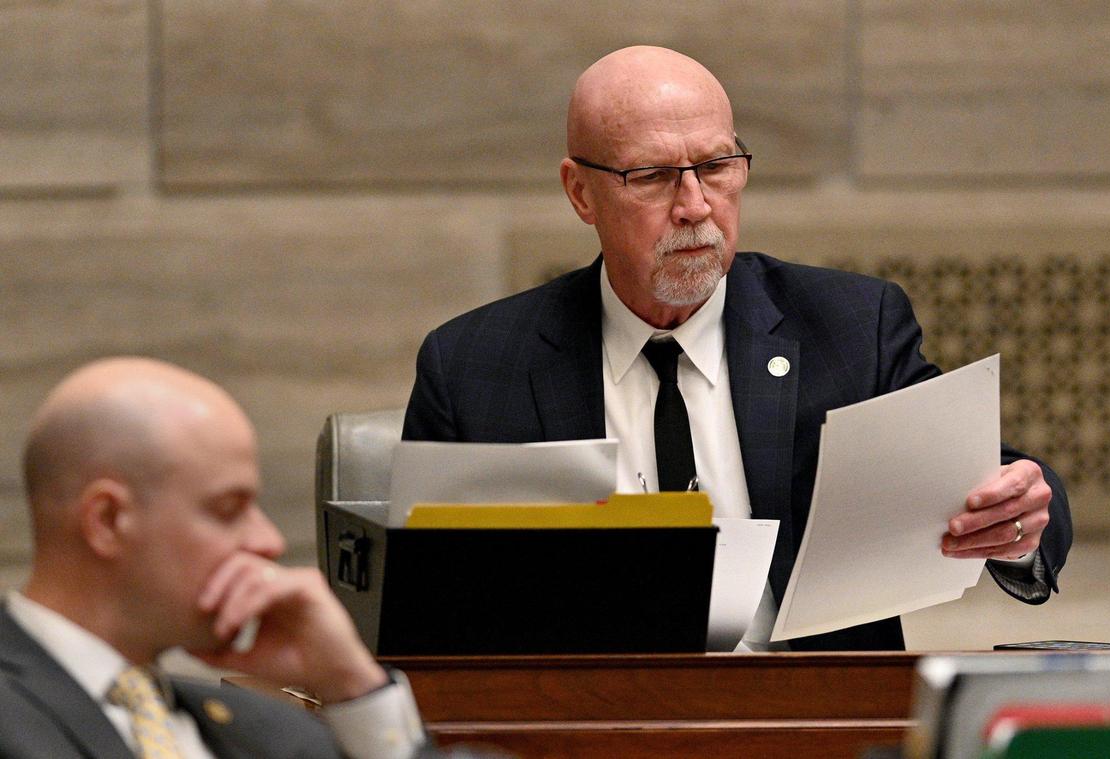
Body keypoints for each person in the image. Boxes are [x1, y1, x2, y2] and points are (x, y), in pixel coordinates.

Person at [402, 45, 1073, 651]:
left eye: (717, 166)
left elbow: (984, 480)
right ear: (582, 192)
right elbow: (420, 618)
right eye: (655, 176)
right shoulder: (473, 368)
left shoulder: (849, 326)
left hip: (808, 727)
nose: (695, 205)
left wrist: (1015, 522)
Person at [1, 357, 428, 758]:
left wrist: (353, 684)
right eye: (227, 510)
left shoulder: (267, 731)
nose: (269, 541)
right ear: (108, 520)